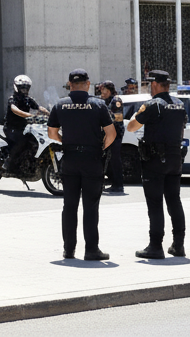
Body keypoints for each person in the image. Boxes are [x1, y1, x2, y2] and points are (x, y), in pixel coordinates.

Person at [48, 69, 116, 260]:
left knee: (69, 206)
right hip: (92, 159)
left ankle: (69, 250)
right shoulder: (98, 105)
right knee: (91, 206)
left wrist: (67, 141)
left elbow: (52, 134)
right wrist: (100, 148)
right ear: (88, 84)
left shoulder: (60, 105)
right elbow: (111, 134)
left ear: (70, 84)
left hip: (70, 159)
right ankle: (91, 250)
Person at [126, 70, 187, 259]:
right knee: (174, 201)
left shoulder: (152, 105)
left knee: (155, 203)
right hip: (175, 158)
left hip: (154, 160)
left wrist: (138, 114)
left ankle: (155, 246)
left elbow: (131, 127)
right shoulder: (179, 104)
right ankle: (178, 245)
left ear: (154, 85)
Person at [3, 74, 47, 172]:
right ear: (16, 87)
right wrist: (29, 115)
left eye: (26, 88)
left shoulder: (28, 99)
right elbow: (15, 110)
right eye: (22, 88)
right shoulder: (12, 99)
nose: (24, 90)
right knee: (21, 141)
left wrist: (50, 114)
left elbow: (39, 107)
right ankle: (9, 163)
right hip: (11, 128)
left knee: (33, 140)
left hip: (23, 127)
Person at [97, 81, 126, 193]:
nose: (102, 92)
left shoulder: (116, 100)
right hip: (108, 133)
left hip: (115, 133)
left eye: (103, 90)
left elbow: (116, 118)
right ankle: (110, 182)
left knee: (115, 159)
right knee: (106, 159)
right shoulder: (106, 100)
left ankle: (118, 185)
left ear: (109, 90)